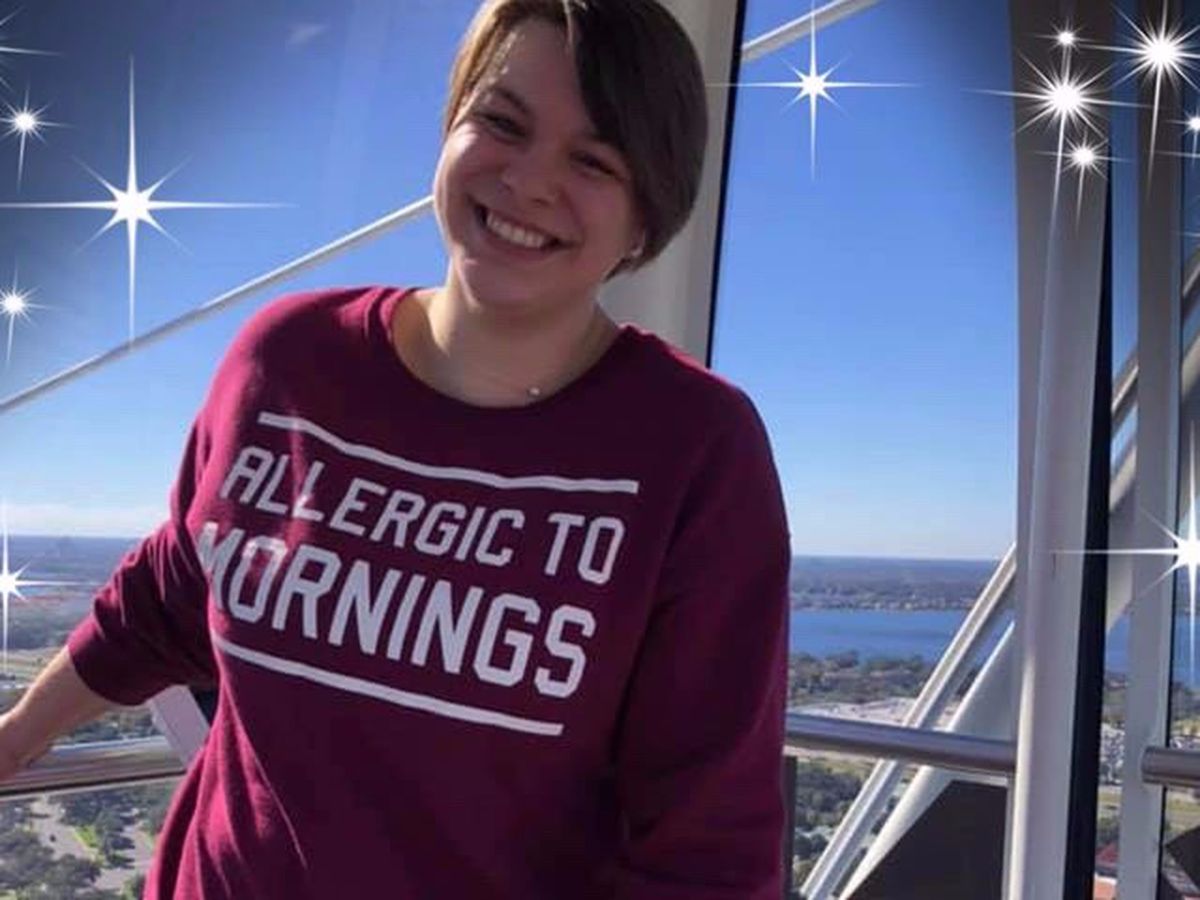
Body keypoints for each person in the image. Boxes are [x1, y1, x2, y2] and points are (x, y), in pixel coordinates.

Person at [0, 0, 792, 897]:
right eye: (502, 122)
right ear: (449, 129)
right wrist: (17, 737)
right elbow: (173, 591)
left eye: (593, 160)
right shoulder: (287, 362)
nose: (529, 181)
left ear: (647, 217)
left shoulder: (693, 451)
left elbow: (705, 849)